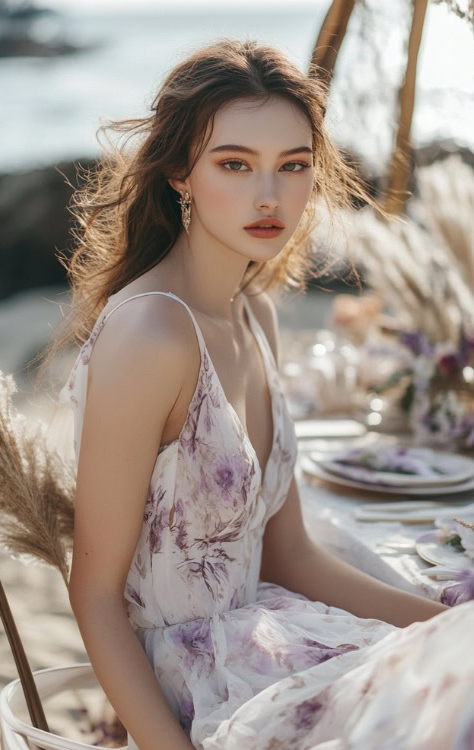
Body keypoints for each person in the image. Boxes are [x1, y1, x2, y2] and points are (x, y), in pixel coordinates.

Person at [50, 38, 474, 750]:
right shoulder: (152, 335)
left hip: (277, 638)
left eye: (294, 166)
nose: (270, 196)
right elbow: (93, 599)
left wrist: (448, 626)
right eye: (235, 165)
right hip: (204, 690)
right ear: (180, 172)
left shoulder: (256, 313)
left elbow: (289, 555)